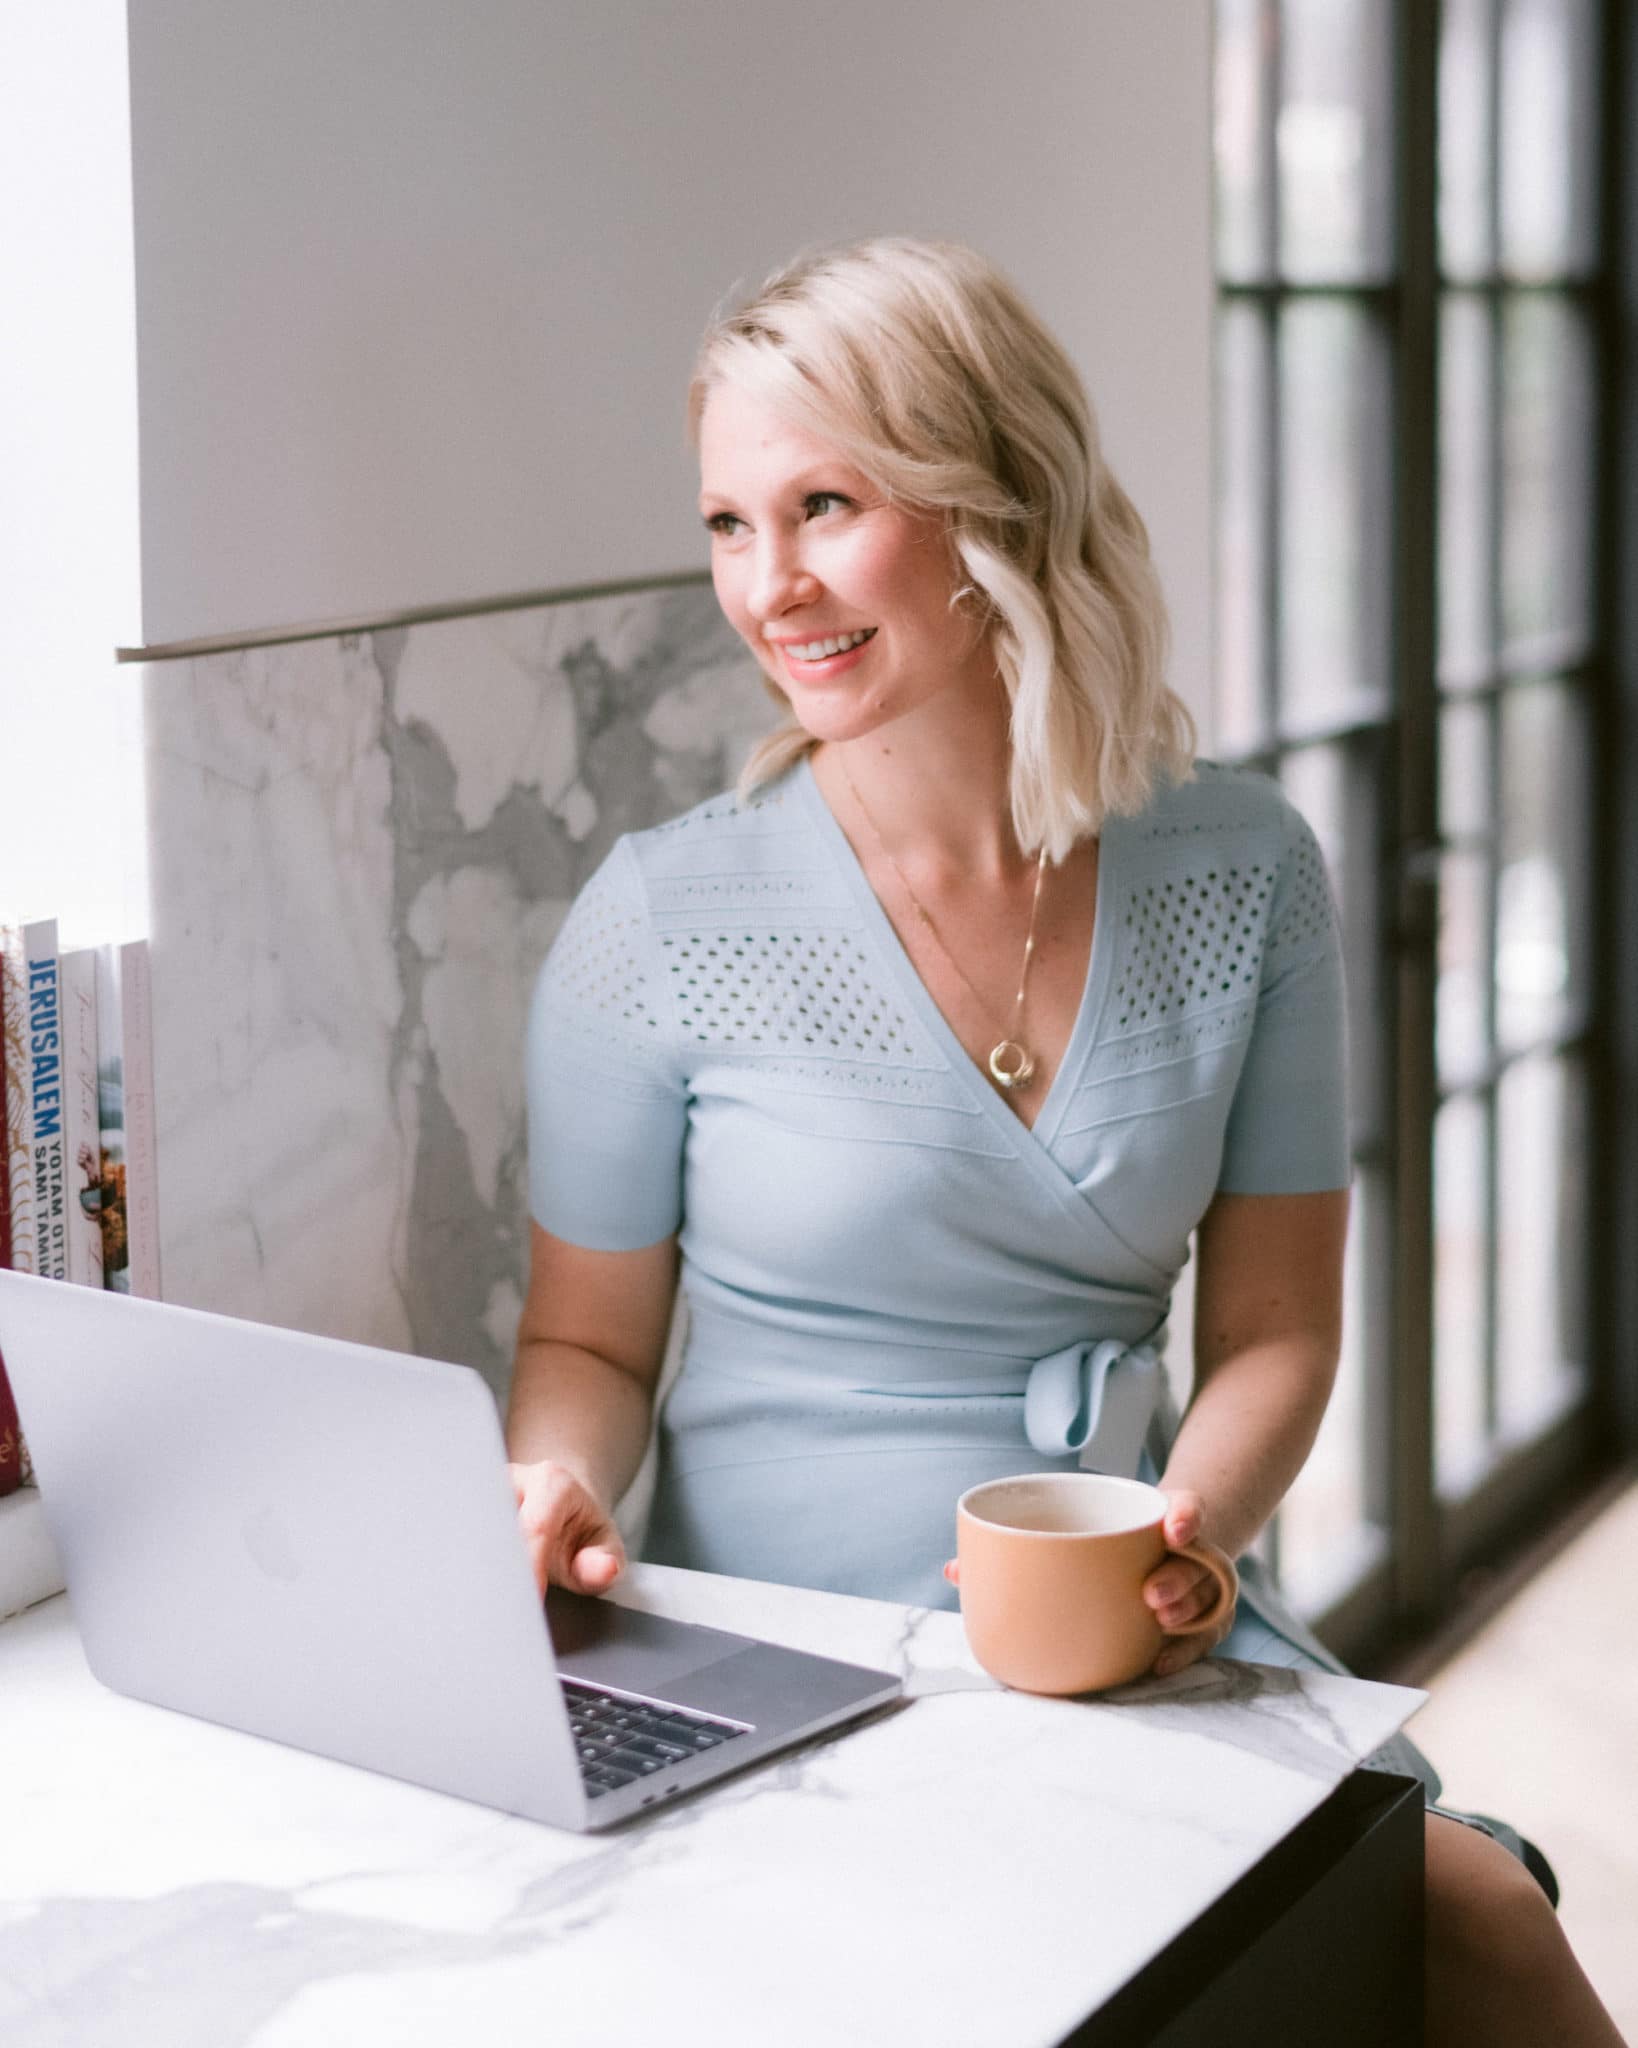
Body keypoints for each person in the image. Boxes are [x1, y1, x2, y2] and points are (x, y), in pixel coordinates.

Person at [506, 237, 1624, 2045]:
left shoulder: (1241, 868)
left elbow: (1277, 1329)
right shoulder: (660, 919)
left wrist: (1196, 1533)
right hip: (792, 1652)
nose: (767, 584)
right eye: (727, 523)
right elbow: (584, 1343)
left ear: (991, 507)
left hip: (1122, 1616)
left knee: (1471, 1916)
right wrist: (548, 1480)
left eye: (823, 506)